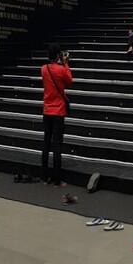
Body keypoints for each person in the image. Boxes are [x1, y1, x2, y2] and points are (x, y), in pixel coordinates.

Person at [41, 43, 73, 186]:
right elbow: (69, 81)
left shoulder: (43, 69)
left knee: (46, 142)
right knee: (57, 144)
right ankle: (57, 179)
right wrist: (66, 63)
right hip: (58, 111)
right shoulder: (61, 70)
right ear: (58, 55)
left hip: (47, 110)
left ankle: (44, 176)